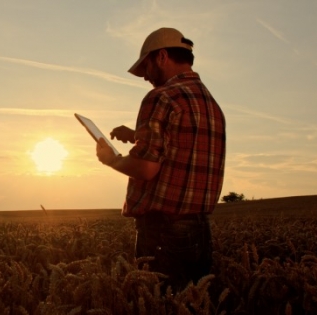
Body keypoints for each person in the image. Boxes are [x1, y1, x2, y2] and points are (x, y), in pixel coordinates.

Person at [95, 27, 226, 290]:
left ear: (162, 56)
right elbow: (183, 145)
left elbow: (145, 169)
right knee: (192, 303)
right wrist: (136, 136)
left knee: (159, 302)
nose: (144, 77)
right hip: (199, 229)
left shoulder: (160, 97)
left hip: (163, 231)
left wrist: (112, 159)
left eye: (146, 67)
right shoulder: (211, 104)